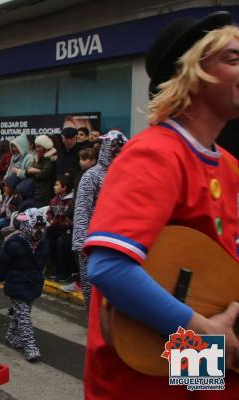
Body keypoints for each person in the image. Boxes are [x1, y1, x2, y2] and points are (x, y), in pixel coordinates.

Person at [83, 12, 239, 399]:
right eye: (233, 58)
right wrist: (206, 333)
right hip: (150, 369)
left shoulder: (230, 165)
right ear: (191, 74)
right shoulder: (155, 154)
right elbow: (109, 267)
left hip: (190, 356)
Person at [68, 132, 125, 300]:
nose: (117, 153)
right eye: (114, 149)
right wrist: (81, 244)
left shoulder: (125, 175)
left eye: (120, 149)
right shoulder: (91, 176)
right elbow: (81, 211)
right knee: (92, 293)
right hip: (92, 244)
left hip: (117, 243)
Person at [0, 208, 47, 362]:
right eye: (35, 227)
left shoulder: (43, 245)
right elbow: (4, 264)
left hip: (33, 285)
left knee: (22, 314)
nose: (39, 231)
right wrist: (0, 277)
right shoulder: (13, 244)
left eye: (41, 227)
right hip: (16, 285)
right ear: (26, 226)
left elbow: (41, 265)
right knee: (24, 316)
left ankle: (11, 336)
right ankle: (30, 347)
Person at [45, 174, 75, 282]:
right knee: (47, 238)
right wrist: (50, 219)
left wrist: (57, 221)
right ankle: (53, 269)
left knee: (61, 242)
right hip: (56, 227)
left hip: (68, 229)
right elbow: (49, 212)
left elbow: (68, 220)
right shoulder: (54, 200)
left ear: (64, 187)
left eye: (57, 185)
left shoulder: (72, 201)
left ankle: (64, 273)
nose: (54, 187)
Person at [25, 135, 56, 208]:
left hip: (44, 193)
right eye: (36, 147)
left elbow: (43, 174)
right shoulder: (37, 158)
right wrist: (36, 171)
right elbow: (27, 171)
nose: (37, 149)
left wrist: (34, 171)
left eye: (39, 147)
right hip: (35, 192)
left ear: (45, 148)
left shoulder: (50, 159)